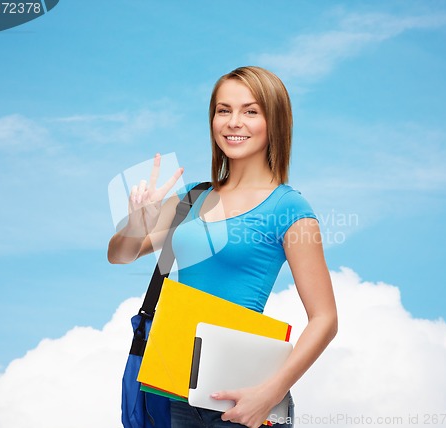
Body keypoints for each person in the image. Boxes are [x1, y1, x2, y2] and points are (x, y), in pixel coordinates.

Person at [108, 66, 337, 428]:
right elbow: (119, 255)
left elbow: (325, 319)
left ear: (273, 121)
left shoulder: (289, 207)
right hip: (173, 388)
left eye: (250, 111)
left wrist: (270, 392)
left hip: (242, 396)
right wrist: (136, 223)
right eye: (223, 110)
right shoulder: (192, 198)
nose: (233, 122)